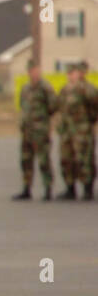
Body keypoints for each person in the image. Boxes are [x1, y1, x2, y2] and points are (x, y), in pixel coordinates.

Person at [14, 59, 57, 201]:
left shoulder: (45, 87)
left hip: (40, 130)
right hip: (27, 130)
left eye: (36, 70)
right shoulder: (25, 88)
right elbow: (22, 106)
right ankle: (26, 188)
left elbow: (53, 106)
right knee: (25, 160)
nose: (34, 73)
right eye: (31, 70)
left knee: (44, 159)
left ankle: (48, 188)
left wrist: (42, 120)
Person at [55, 61, 98, 201]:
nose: (70, 76)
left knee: (84, 159)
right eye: (68, 73)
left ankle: (87, 189)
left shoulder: (87, 89)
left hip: (82, 130)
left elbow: (94, 108)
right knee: (66, 158)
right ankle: (70, 188)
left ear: (79, 73)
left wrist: (89, 122)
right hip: (67, 131)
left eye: (73, 73)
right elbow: (60, 108)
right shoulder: (65, 90)